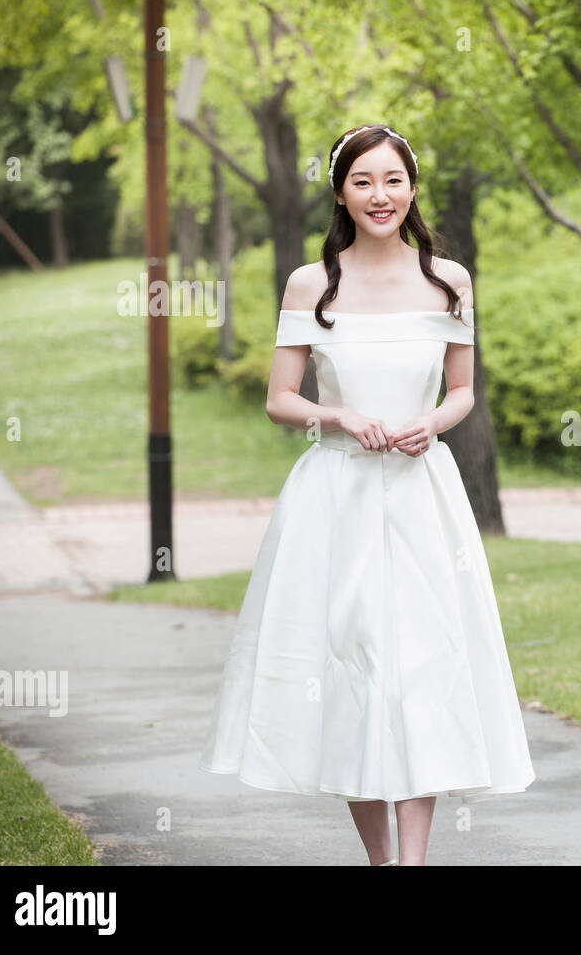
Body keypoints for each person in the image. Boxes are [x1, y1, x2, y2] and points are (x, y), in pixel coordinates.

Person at [199, 124, 535, 866]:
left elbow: (462, 391)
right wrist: (335, 415)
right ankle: (381, 861)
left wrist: (431, 424)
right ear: (341, 192)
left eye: (392, 180)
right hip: (337, 497)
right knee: (353, 670)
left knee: (422, 667)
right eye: (362, 182)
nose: (379, 196)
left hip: (422, 496)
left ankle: (412, 864)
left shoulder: (450, 280)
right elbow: (280, 398)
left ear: (412, 187)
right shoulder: (310, 284)